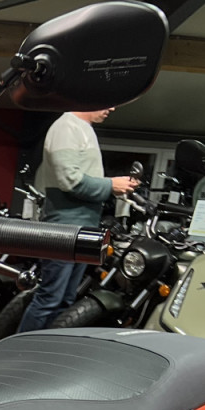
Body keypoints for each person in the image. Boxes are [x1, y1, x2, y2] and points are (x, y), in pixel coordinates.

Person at [16, 108, 138, 334]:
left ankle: (44, 348)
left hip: (82, 228)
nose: (112, 108)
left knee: (65, 300)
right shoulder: (66, 127)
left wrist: (112, 185)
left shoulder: (82, 128)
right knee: (50, 298)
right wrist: (111, 185)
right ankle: (18, 351)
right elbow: (70, 181)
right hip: (65, 228)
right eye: (108, 101)